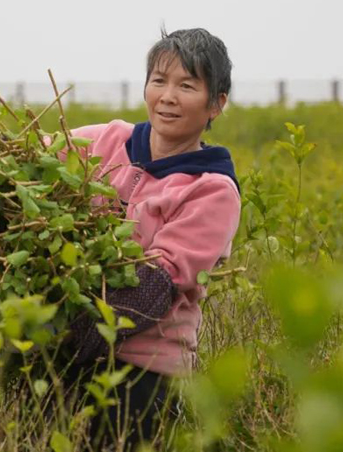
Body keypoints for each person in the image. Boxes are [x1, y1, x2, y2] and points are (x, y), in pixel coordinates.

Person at [64, 28, 242, 450]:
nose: (168, 96)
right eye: (159, 81)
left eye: (187, 85)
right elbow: (36, 159)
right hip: (65, 357)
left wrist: (67, 334)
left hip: (142, 368)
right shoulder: (108, 140)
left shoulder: (212, 189)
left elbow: (155, 284)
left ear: (217, 103)